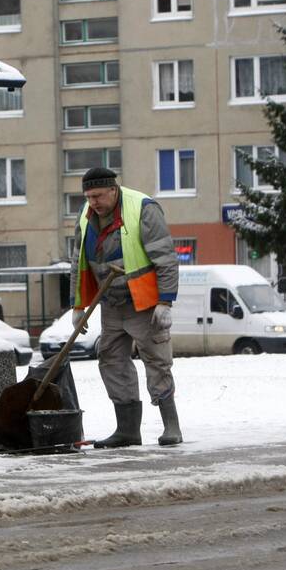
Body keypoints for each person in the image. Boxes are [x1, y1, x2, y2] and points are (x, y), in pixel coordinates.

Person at [69, 167, 182, 447]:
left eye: (97, 195)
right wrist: (77, 305)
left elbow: (166, 257)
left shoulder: (142, 208)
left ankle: (172, 427)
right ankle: (128, 430)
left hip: (144, 302)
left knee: (156, 360)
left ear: (113, 189)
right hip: (111, 304)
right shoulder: (85, 217)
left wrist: (165, 301)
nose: (92, 202)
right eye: (88, 196)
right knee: (110, 359)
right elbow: (77, 263)